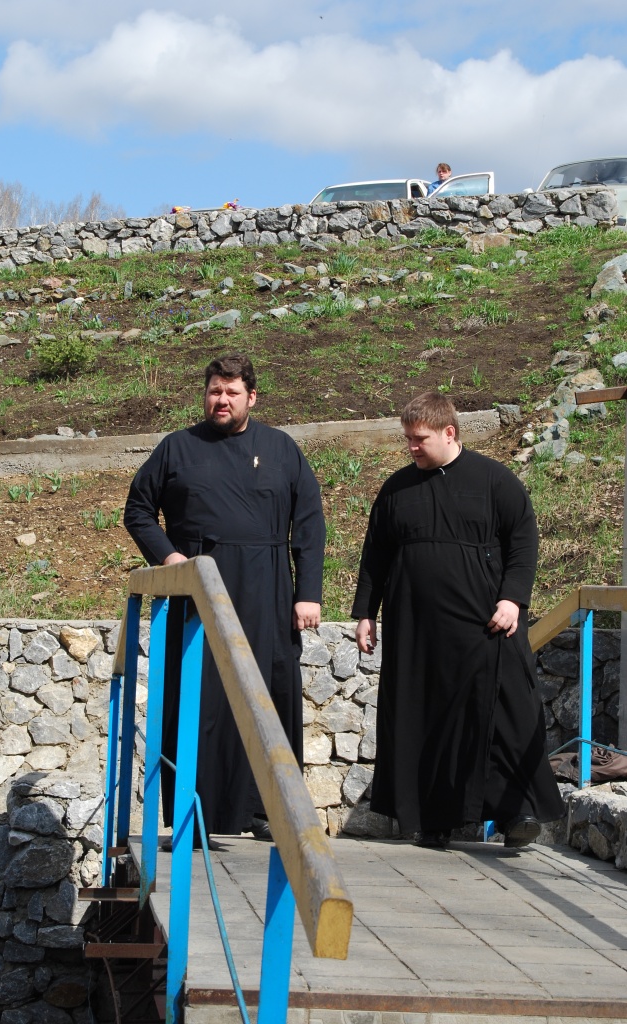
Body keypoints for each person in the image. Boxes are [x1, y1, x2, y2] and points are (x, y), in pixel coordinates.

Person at [124, 353, 325, 843]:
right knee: (199, 703)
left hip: (267, 589)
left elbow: (309, 525)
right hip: (198, 592)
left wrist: (308, 594)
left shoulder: (281, 449)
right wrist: (171, 558)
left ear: (252, 397)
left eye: (232, 392)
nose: (222, 400)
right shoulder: (177, 447)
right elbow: (138, 510)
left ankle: (269, 810)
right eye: (215, 391)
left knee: (268, 697)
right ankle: (195, 816)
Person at [352, 392, 563, 850]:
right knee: (425, 719)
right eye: (408, 438)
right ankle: (432, 820)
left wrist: (513, 599)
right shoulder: (396, 488)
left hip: (485, 624)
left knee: (506, 713)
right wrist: (366, 612)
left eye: (419, 439)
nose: (411, 446)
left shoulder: (495, 480)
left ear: (449, 432)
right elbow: (376, 555)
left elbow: (523, 542)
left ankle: (517, 813)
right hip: (417, 631)